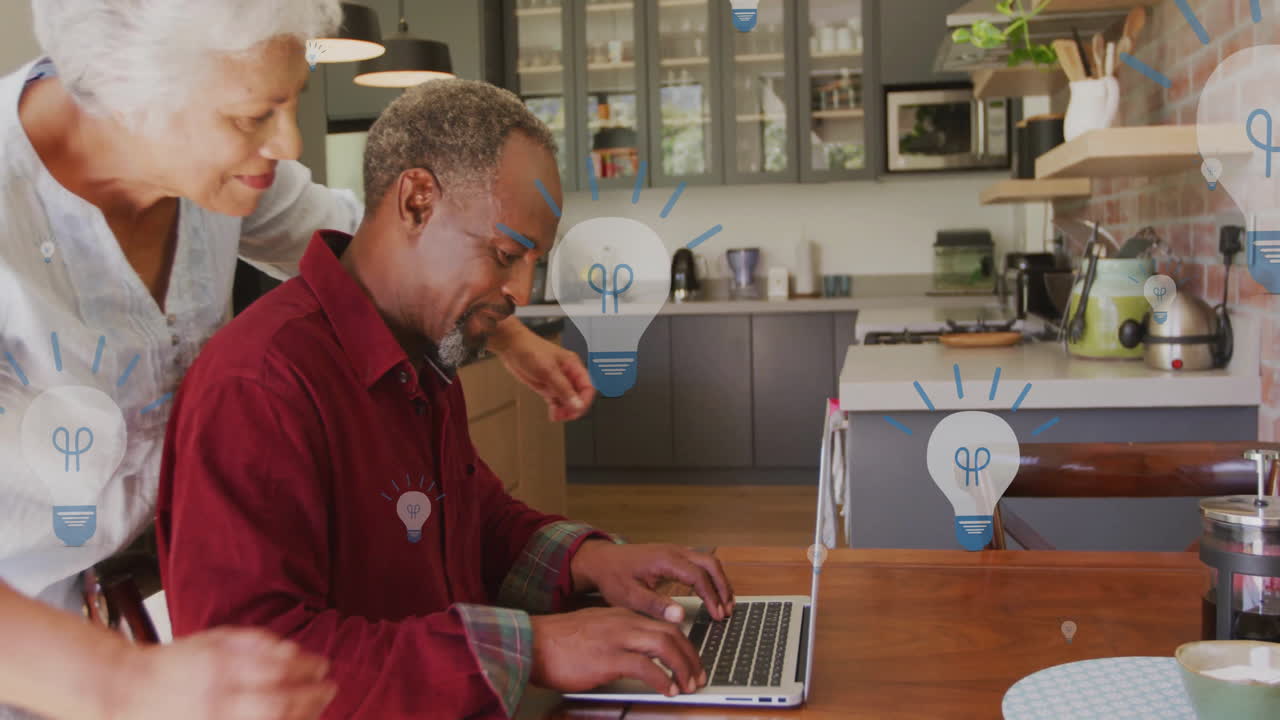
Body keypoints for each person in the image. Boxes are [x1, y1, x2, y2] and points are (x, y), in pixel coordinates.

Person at [0, 1, 591, 718]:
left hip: (160, 620)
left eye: (292, 101)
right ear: (128, 99)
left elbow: (380, 239)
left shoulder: (219, 164)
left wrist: (501, 326)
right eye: (254, 115)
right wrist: (120, 684)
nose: (285, 142)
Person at [157, 78, 736, 719]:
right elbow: (246, 674)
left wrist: (592, 562)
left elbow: (473, 525)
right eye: (505, 253)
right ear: (417, 200)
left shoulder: (426, 352)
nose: (521, 289)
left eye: (532, 262)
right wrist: (533, 649)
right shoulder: (260, 387)